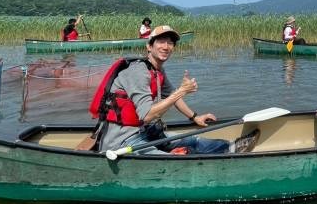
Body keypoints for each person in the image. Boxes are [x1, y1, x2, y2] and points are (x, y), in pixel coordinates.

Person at [95, 25, 260, 156]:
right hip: (123, 140)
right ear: (149, 46)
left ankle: (231, 148)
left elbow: (173, 96)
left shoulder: (156, 70)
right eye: (161, 41)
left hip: (146, 133)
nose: (166, 46)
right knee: (175, 158)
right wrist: (182, 91)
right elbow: (147, 115)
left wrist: (194, 116)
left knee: (192, 140)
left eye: (170, 43)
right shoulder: (138, 71)